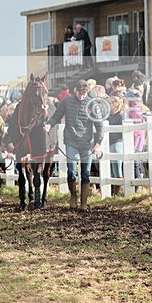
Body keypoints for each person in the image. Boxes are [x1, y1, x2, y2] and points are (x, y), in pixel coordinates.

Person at [47, 79, 106, 209]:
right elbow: (56, 116)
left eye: (84, 94)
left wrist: (98, 143)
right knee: (71, 171)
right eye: (79, 93)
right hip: (71, 140)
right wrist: (49, 125)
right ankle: (73, 197)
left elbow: (99, 125)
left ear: (87, 92)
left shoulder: (92, 104)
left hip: (87, 142)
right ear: (75, 91)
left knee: (85, 172)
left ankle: (83, 202)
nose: (81, 96)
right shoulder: (66, 102)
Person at [107, 95, 125, 184]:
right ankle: (114, 187)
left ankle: (119, 185)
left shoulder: (121, 115)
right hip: (110, 142)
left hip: (118, 141)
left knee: (117, 166)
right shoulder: (109, 116)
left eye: (113, 102)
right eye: (109, 103)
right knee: (112, 166)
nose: (111, 104)